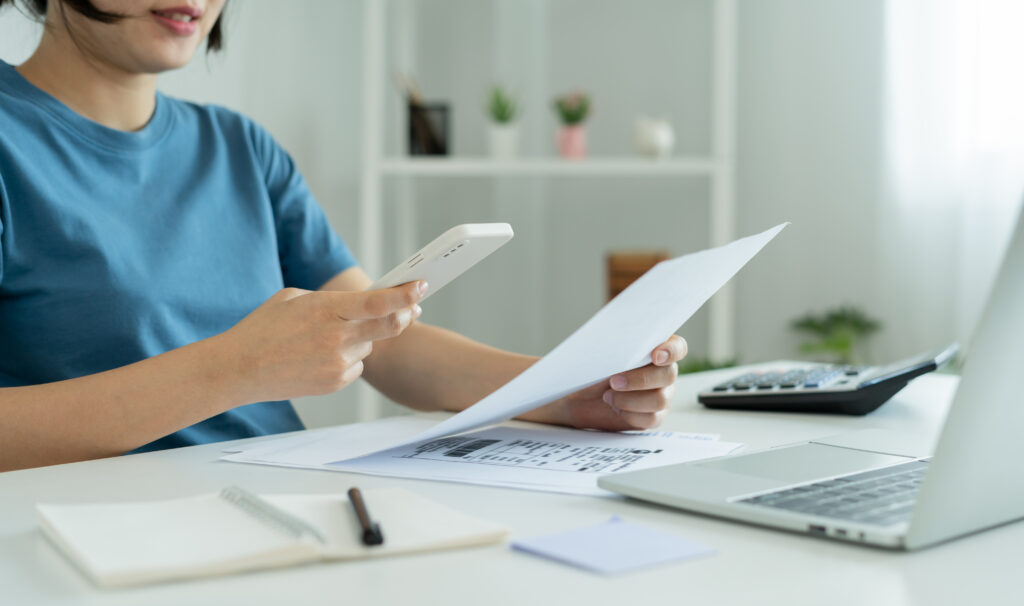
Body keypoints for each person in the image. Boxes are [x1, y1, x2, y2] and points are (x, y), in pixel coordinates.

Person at [0, 0, 687, 472]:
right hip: (100, 534)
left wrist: (564, 391)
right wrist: (236, 367)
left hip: (278, 498)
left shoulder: (240, 148)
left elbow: (384, 340)